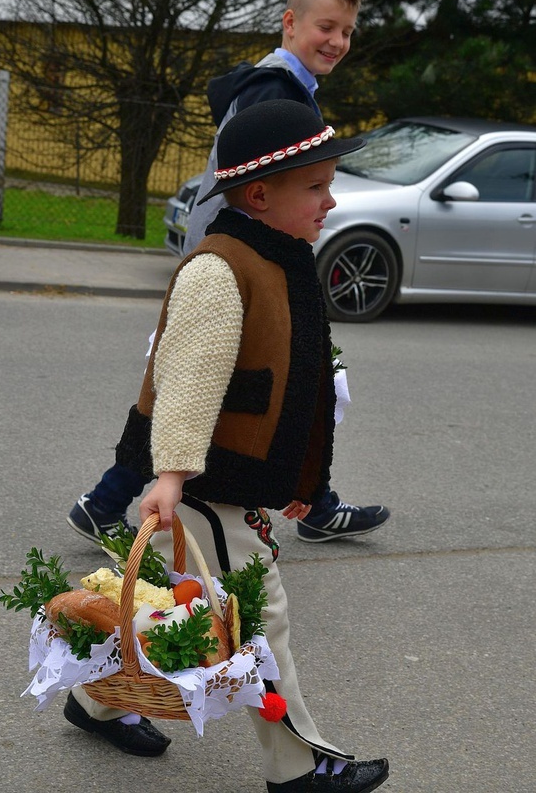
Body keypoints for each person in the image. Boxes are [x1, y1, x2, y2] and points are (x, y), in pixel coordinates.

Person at [66, 98, 390, 792]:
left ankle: (91, 699)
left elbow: (287, 383)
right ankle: (298, 766)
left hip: (222, 480)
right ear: (259, 193)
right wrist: (173, 475)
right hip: (205, 482)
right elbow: (186, 383)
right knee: (257, 615)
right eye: (316, 186)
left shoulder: (277, 256)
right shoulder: (219, 270)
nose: (330, 200)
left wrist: (301, 482)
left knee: (156, 600)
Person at [67, 0, 390, 549]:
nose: (338, 42)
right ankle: (286, 499)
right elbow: (255, 194)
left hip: (243, 264)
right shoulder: (275, 93)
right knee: (234, 389)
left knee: (224, 386)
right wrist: (242, 270)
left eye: (346, 31)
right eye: (326, 27)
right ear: (290, 23)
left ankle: (116, 499)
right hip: (240, 269)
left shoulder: (280, 86)